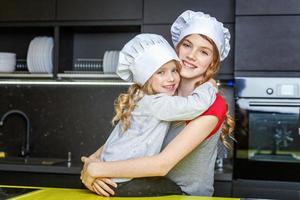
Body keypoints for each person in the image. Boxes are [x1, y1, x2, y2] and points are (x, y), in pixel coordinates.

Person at [81, 10, 234, 197]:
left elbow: (162, 165)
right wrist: (91, 164)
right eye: (187, 45)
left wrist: (98, 170)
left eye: (204, 52)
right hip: (148, 190)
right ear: (176, 48)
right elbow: (124, 137)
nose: (192, 55)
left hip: (184, 196)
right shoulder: (161, 93)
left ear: (212, 62)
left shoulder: (212, 105)